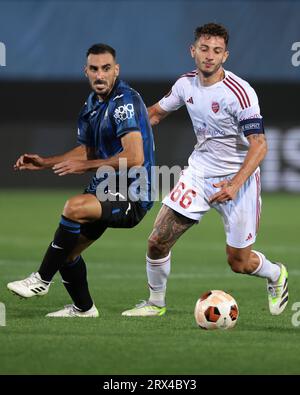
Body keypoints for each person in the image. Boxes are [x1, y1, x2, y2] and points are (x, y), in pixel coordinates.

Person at [122, 23, 288, 317]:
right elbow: (157, 113)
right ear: (192, 51)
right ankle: (155, 303)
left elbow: (260, 145)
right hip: (199, 174)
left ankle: (275, 274)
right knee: (157, 241)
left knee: (238, 262)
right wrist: (124, 129)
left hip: (240, 181)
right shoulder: (185, 85)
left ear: (225, 55)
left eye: (217, 51)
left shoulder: (240, 93)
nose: (209, 56)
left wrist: (234, 186)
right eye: (204, 49)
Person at [7, 43, 155, 317]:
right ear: (85, 71)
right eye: (94, 69)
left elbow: (134, 156)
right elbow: (87, 149)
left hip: (134, 193)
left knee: (73, 208)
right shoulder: (91, 105)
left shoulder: (124, 102)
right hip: (108, 187)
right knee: (66, 252)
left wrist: (86, 166)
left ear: (116, 70)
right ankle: (83, 309)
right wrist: (45, 162)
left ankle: (41, 280)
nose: (100, 75)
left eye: (106, 69)